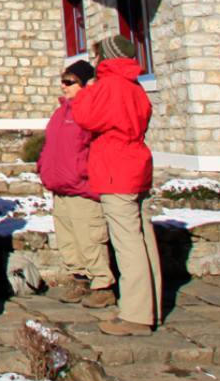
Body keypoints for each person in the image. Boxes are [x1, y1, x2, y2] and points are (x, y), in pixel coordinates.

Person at [72, 35, 162, 337]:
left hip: (115, 166)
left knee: (127, 242)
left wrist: (85, 92)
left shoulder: (109, 85)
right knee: (144, 239)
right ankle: (152, 305)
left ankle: (136, 314)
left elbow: (86, 117)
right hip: (137, 162)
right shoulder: (135, 86)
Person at [39, 60, 114, 308]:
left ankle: (102, 284)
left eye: (69, 81)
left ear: (84, 84)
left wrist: (84, 172)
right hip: (60, 187)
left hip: (82, 188)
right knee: (68, 241)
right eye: (62, 80)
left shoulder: (90, 109)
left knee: (89, 239)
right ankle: (79, 279)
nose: (64, 86)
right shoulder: (61, 112)